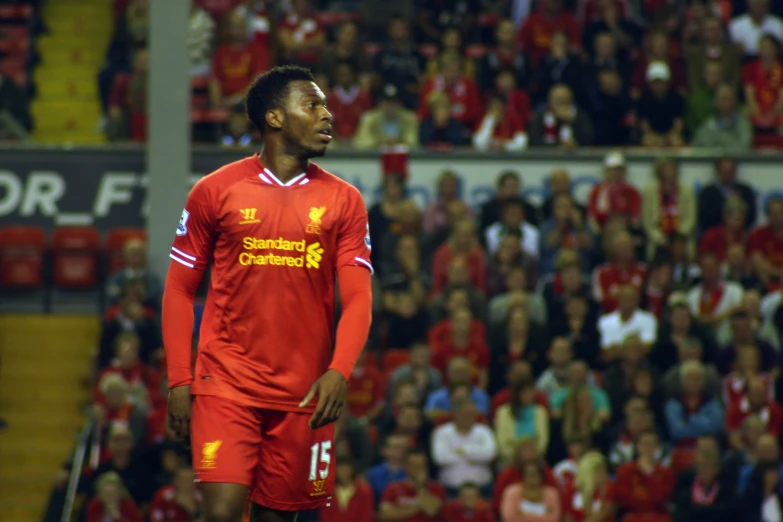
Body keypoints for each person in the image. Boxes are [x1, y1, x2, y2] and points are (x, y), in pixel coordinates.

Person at [162, 66, 373, 522]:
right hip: (227, 383)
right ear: (275, 118)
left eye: (325, 105)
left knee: (278, 518)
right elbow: (179, 289)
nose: (327, 115)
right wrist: (180, 380)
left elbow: (358, 297)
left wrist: (340, 370)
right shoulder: (214, 191)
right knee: (221, 512)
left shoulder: (345, 201)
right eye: (312, 105)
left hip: (305, 392)